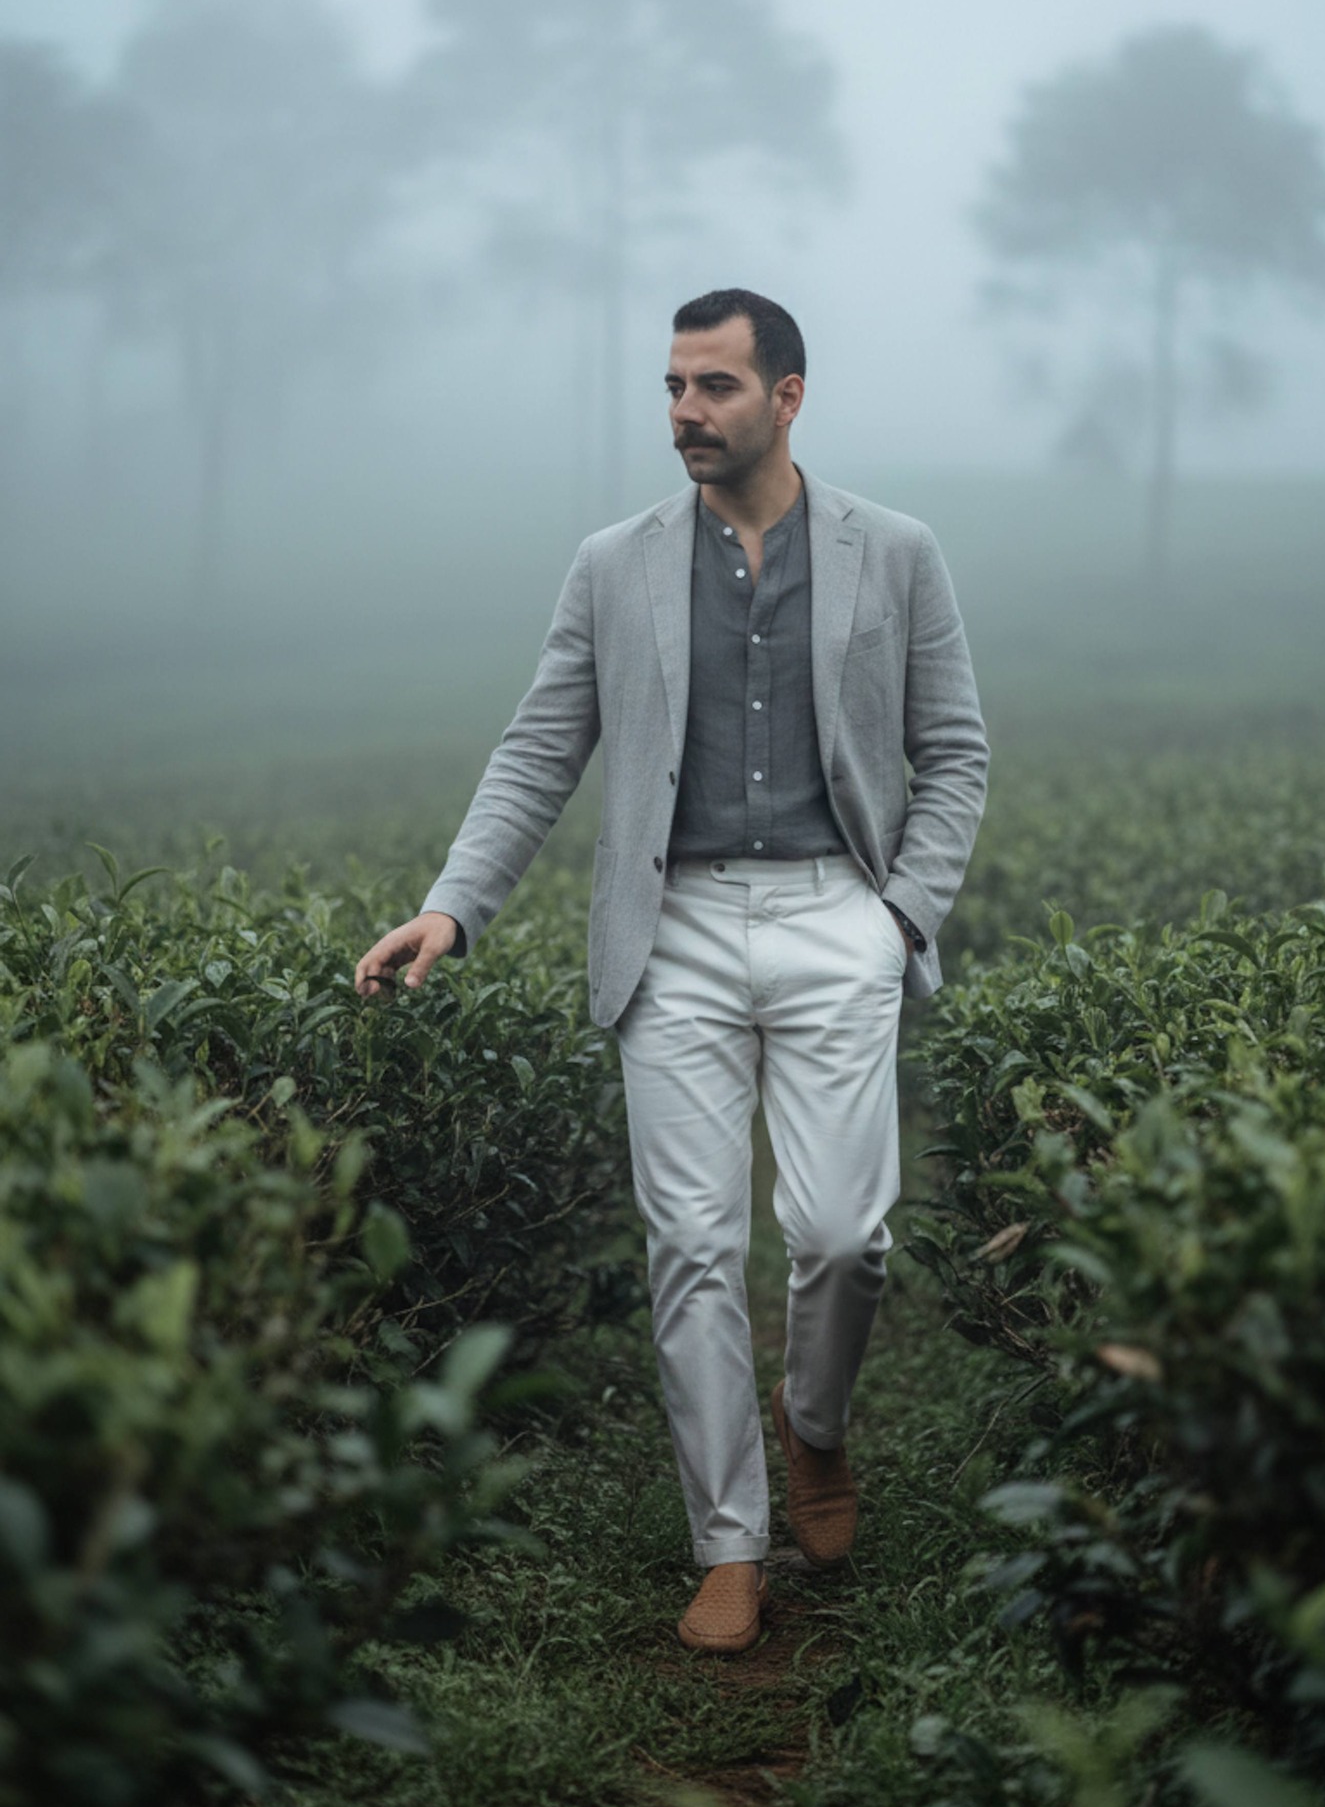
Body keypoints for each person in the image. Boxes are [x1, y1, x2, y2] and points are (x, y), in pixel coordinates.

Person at [354, 288, 988, 1655]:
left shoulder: (896, 553)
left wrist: (902, 918)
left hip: (839, 913)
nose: (686, 415)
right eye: (672, 388)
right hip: (672, 928)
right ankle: (729, 1543)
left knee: (839, 1235)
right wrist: (452, 910)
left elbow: (959, 753)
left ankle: (813, 1429)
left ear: (789, 396)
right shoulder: (613, 564)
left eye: (714, 387)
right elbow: (538, 750)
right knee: (694, 1247)